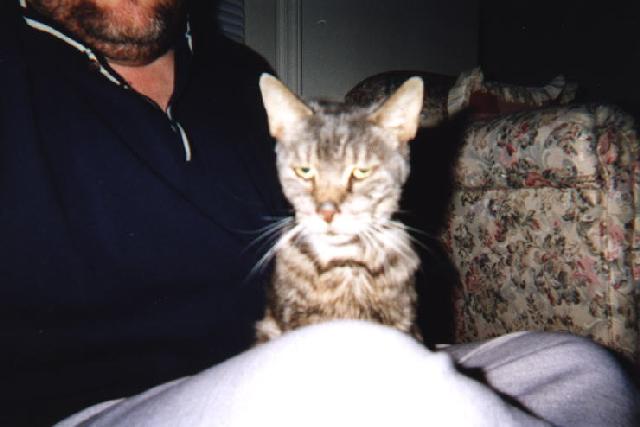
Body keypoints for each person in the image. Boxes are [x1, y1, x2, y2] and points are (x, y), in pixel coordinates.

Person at [1, 1, 637, 426]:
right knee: (373, 370)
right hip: (101, 408)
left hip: (287, 360)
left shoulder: (237, 73)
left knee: (580, 366)